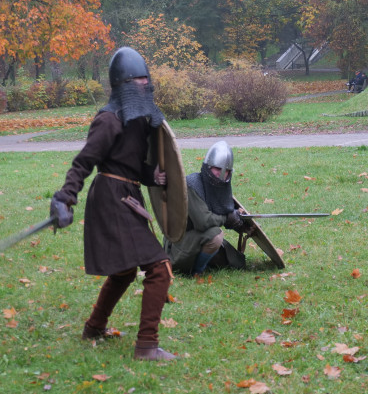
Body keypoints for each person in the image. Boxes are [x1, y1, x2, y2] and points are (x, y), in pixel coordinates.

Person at [51, 47, 176, 360]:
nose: (146, 84)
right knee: (159, 269)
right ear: (124, 84)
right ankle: (147, 346)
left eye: (147, 79)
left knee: (123, 272)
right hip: (111, 198)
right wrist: (65, 197)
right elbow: (85, 161)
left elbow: (129, 163)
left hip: (127, 194)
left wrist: (153, 176)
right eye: (139, 79)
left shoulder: (138, 120)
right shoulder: (109, 120)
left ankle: (94, 328)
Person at [166, 140, 254, 275]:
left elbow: (222, 210)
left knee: (237, 262)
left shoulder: (219, 187)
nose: (222, 174)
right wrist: (227, 218)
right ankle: (197, 271)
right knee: (215, 236)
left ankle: (202, 262)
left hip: (196, 238)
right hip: (178, 244)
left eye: (227, 171)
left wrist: (239, 223)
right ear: (208, 167)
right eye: (218, 169)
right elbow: (203, 222)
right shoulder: (191, 186)